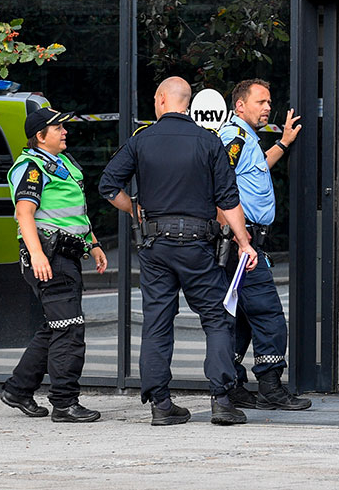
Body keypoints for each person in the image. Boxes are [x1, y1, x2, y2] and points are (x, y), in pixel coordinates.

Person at [99, 76, 258, 426]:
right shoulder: (208, 141)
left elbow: (108, 185)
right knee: (216, 319)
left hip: (155, 245)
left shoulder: (141, 141)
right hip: (198, 247)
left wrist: (133, 209)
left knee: (156, 323)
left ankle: (161, 404)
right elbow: (228, 200)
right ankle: (221, 401)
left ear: (160, 99)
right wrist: (244, 242)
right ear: (187, 103)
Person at [0, 107, 108, 423]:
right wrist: (37, 256)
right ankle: (64, 403)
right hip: (50, 256)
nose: (65, 131)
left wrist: (95, 244)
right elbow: (25, 214)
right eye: (57, 128)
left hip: (67, 255)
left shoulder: (64, 164)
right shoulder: (32, 168)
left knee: (57, 326)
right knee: (69, 329)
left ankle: (19, 389)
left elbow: (76, 213)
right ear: (39, 136)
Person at [218, 79, 311, 411]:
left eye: (269, 101)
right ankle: (271, 386)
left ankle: (232, 386)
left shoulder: (247, 141)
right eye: (261, 102)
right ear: (240, 106)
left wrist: (284, 143)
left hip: (245, 243)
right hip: (242, 245)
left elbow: (251, 172)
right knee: (269, 315)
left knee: (242, 317)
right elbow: (220, 186)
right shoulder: (234, 139)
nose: (268, 107)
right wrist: (238, 238)